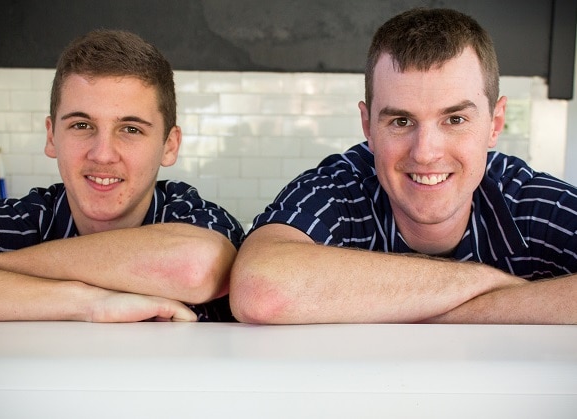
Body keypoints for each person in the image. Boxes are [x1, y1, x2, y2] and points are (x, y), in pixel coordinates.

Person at [230, 8, 577, 324]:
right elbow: (260, 287)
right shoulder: (339, 188)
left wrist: (467, 308)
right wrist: (485, 281)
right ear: (368, 127)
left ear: (495, 124)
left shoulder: (530, 202)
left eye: (455, 119)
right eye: (400, 121)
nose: (425, 153)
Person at [0, 29, 244, 322]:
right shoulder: (15, 224)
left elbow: (196, 265)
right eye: (81, 125)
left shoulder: (197, 219)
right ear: (52, 137)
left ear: (170, 145)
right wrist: (87, 301)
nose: (102, 154)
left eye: (131, 129)